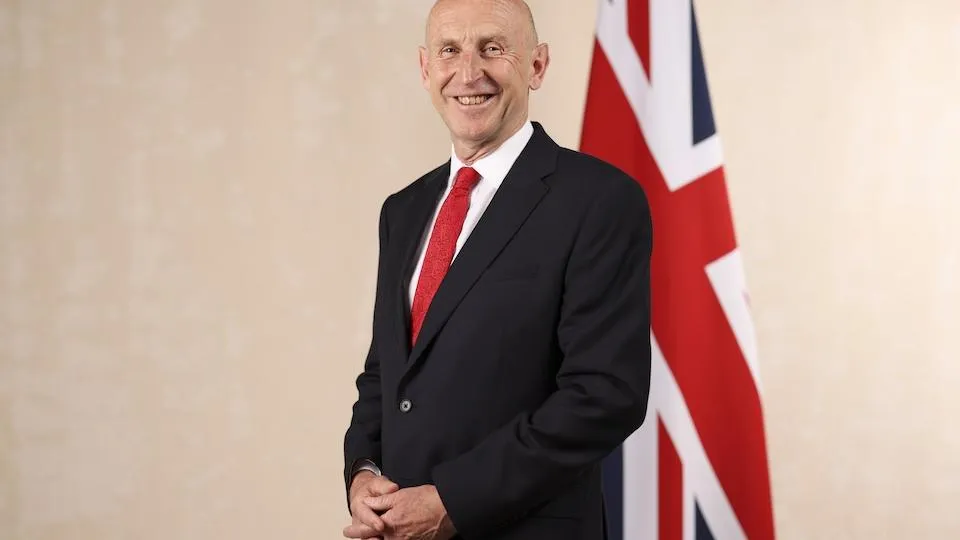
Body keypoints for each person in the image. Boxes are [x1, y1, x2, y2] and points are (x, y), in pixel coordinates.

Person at [342, 0, 652, 538]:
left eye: (492, 48)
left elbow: (605, 396)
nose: (469, 73)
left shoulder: (599, 200)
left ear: (536, 65)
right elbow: (386, 374)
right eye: (449, 51)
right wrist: (363, 471)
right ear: (425, 68)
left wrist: (454, 500)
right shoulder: (403, 210)